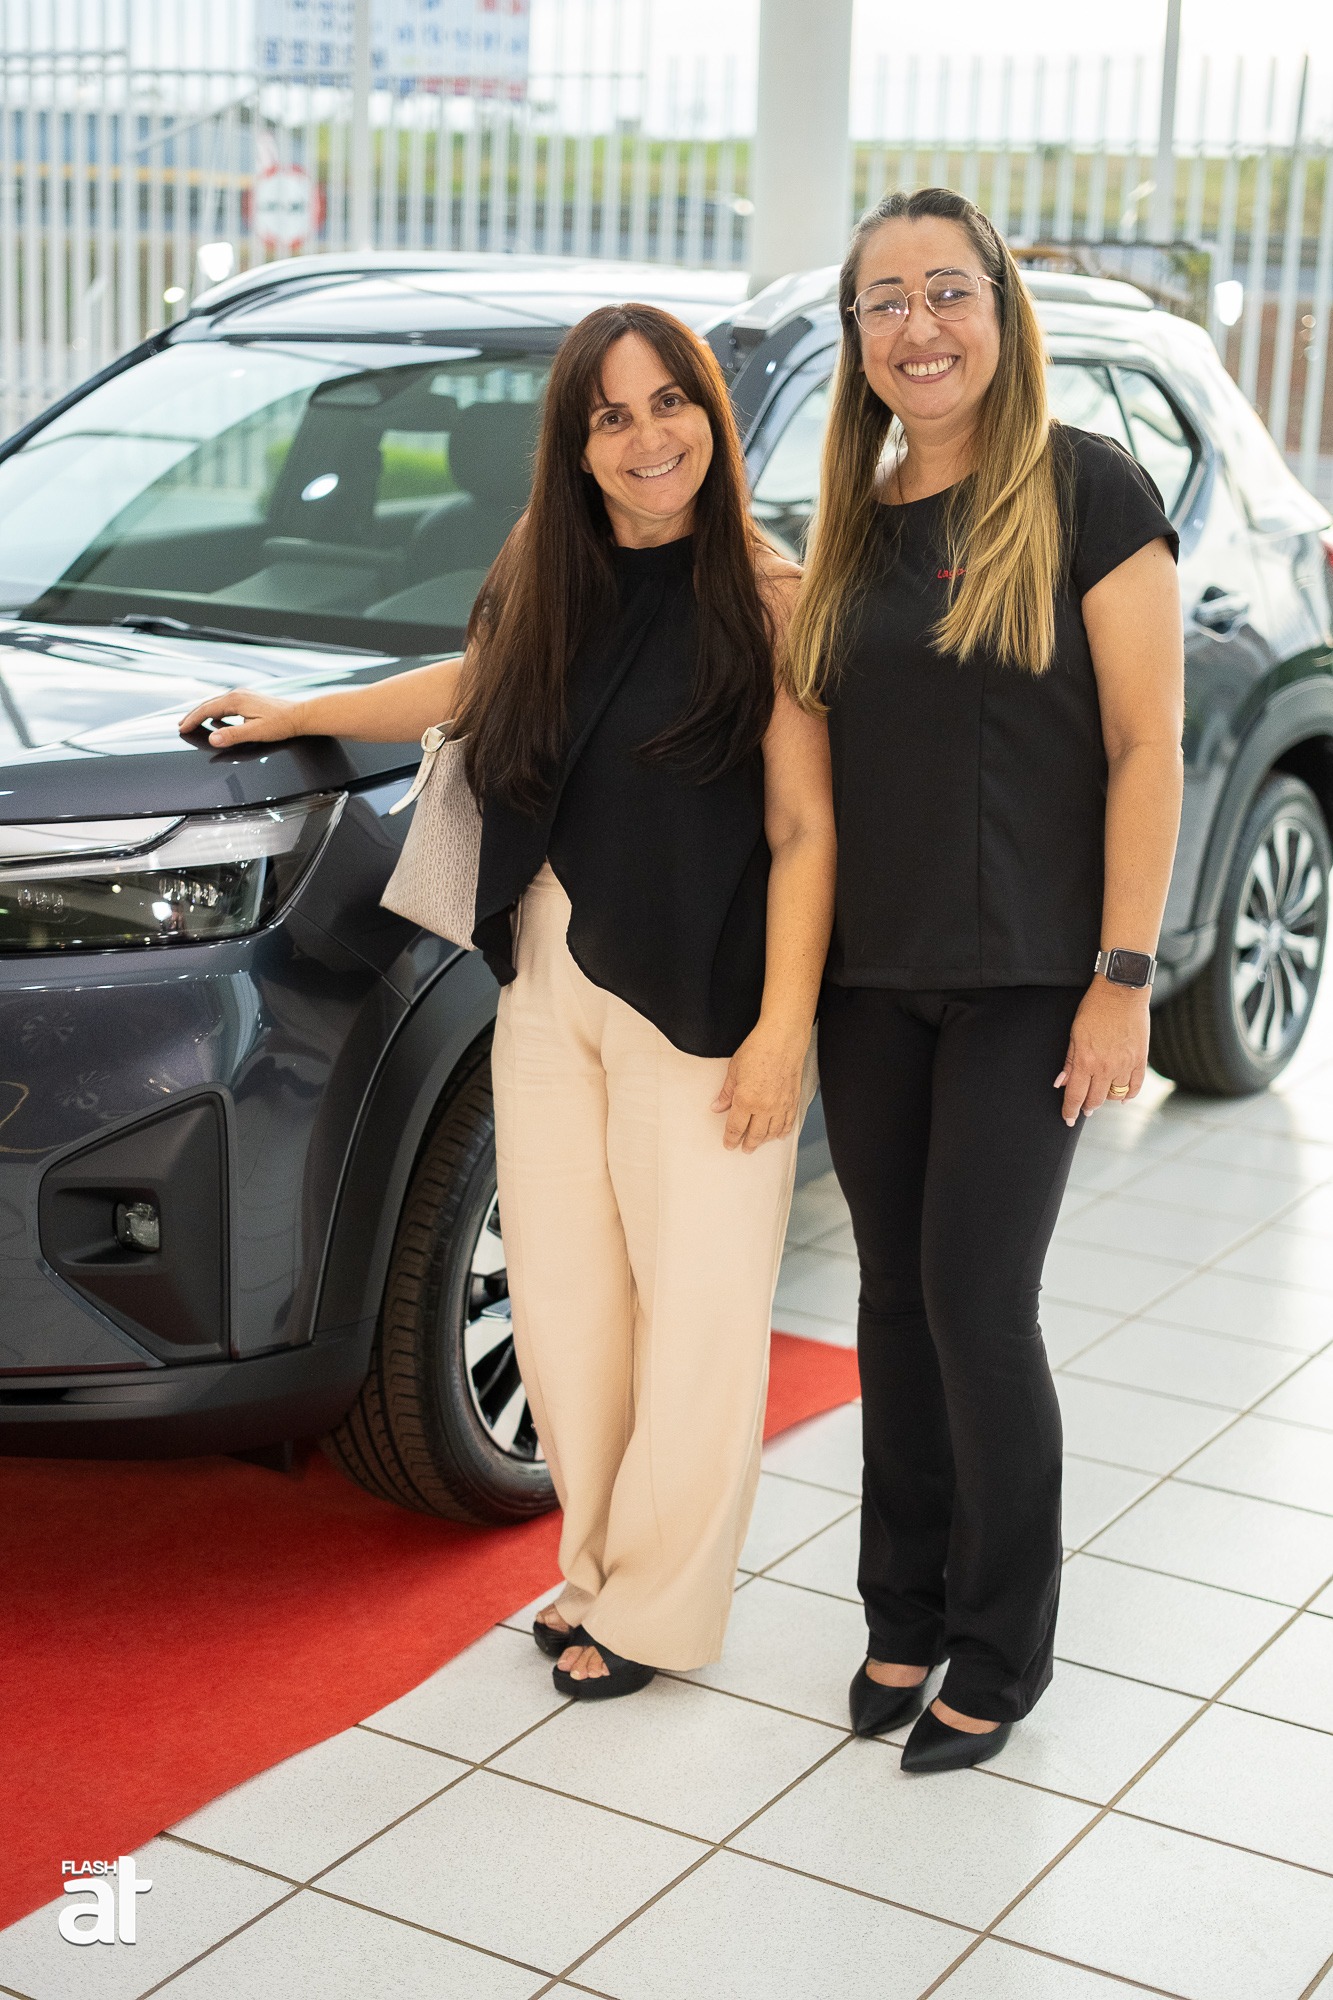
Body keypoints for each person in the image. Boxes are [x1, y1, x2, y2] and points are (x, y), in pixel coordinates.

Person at [180, 302, 836, 1701]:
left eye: (671, 403)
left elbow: (803, 828)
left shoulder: (771, 596)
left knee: (699, 1317)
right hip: (548, 974)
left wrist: (785, 1031)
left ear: (712, 417)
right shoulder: (552, 563)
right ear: (577, 446)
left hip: (706, 1001)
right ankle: (592, 1570)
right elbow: (480, 685)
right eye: (613, 416)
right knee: (564, 1304)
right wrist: (302, 714)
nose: (648, 437)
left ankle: (658, 1610)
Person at [784, 188, 1184, 1773]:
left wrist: (1121, 976)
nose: (917, 325)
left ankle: (1001, 1645)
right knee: (889, 1302)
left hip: (1030, 979)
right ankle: (900, 1606)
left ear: (1001, 310)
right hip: (871, 982)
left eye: (945, 290)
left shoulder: (1087, 488)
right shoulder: (853, 522)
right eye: (882, 300)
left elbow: (1144, 745)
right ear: (856, 338)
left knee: (973, 1301)